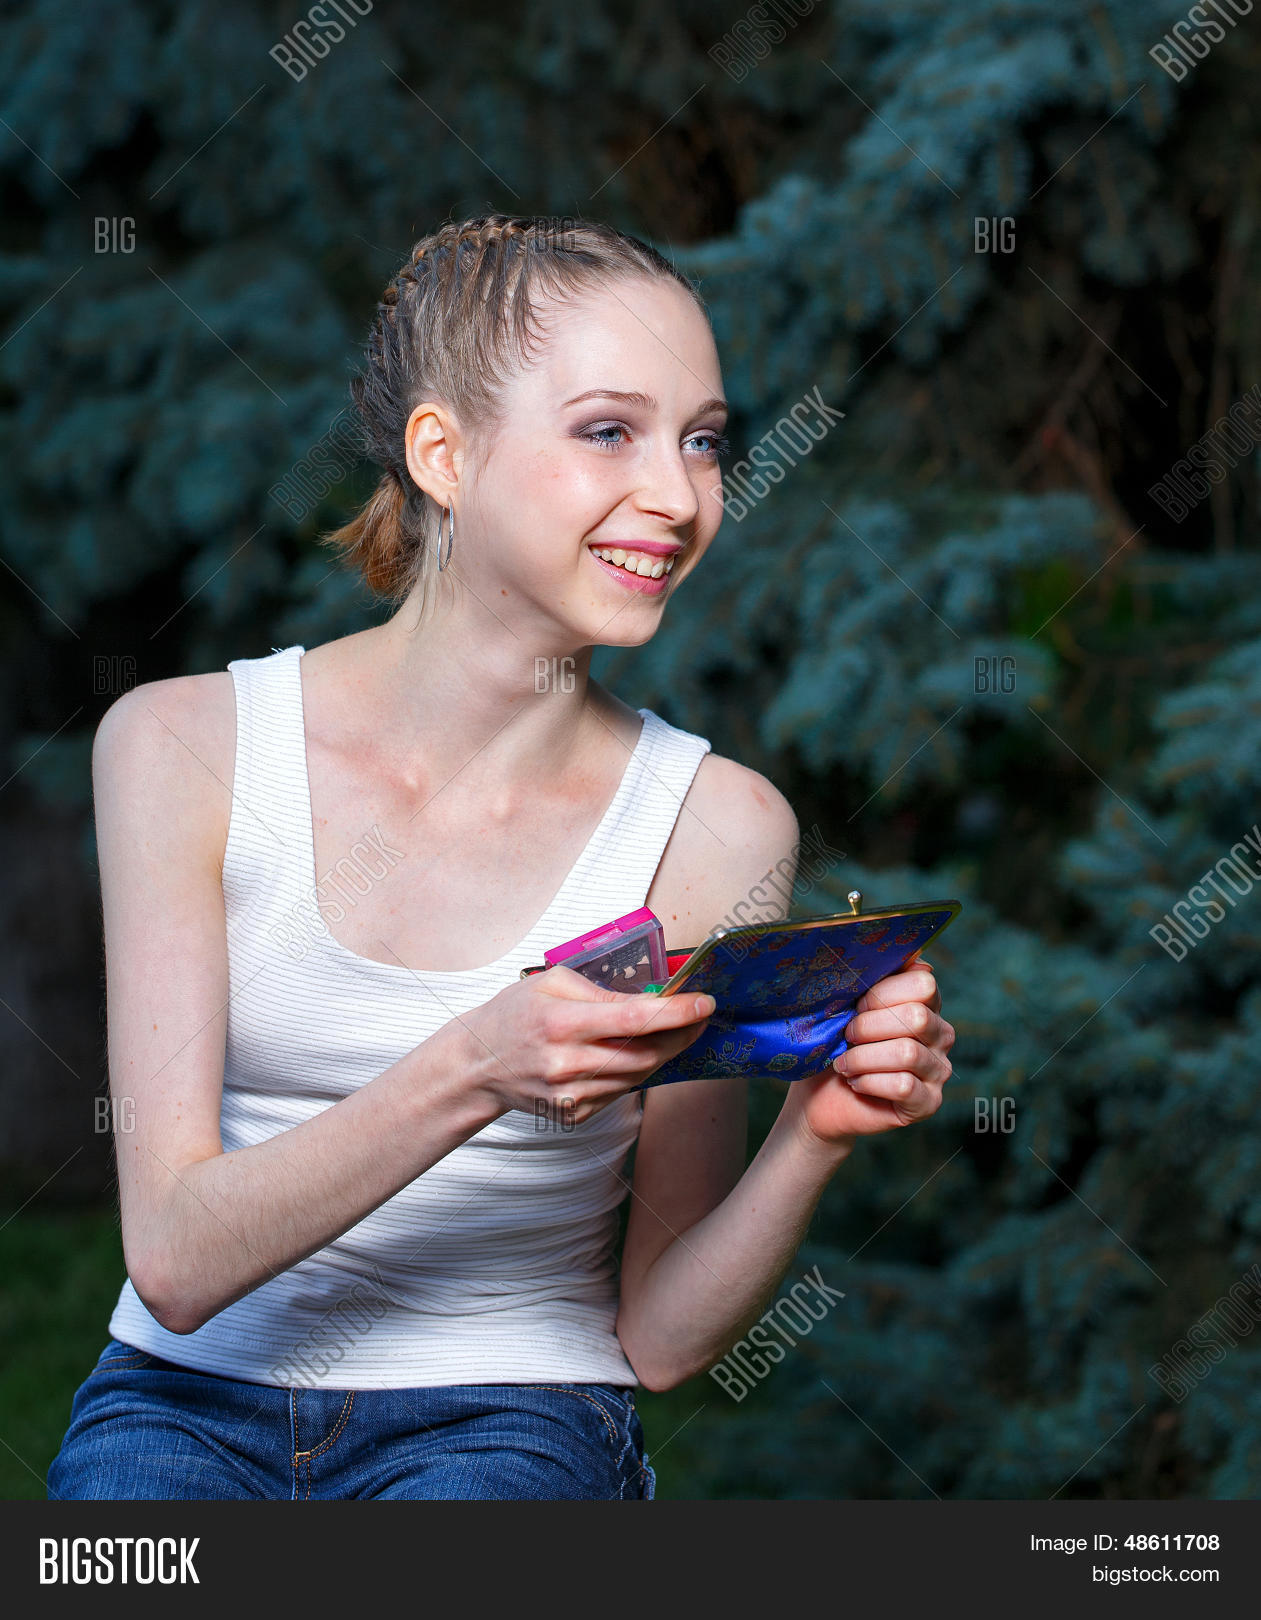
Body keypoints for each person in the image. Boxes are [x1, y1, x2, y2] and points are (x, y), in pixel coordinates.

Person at [48, 214, 955, 1501]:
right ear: (444, 454)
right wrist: (477, 1062)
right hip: (179, 1405)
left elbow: (659, 1338)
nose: (680, 495)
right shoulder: (180, 746)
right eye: (609, 431)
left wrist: (818, 1131)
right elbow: (178, 1264)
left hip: (512, 1419)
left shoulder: (716, 826)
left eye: (702, 439)